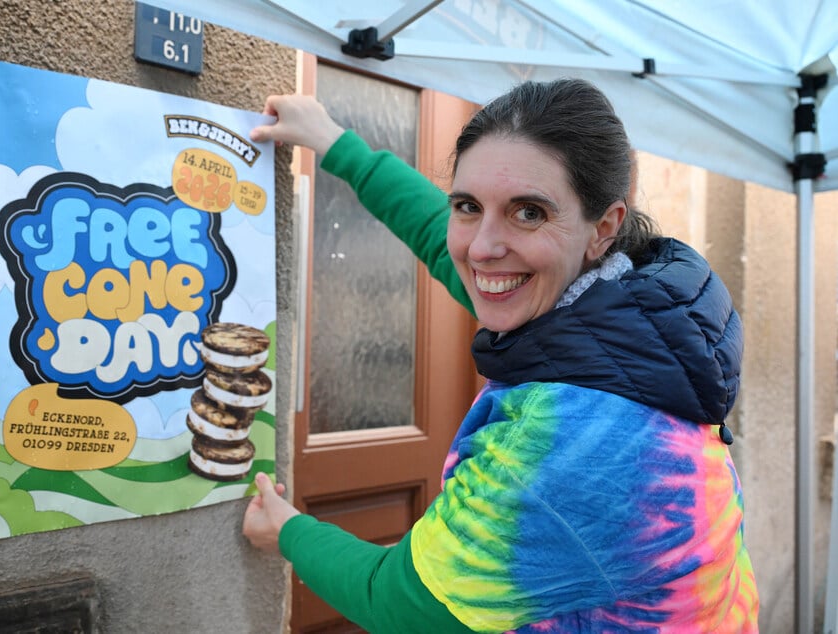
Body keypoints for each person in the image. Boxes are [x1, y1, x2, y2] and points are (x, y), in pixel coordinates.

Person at [243, 79, 759, 633]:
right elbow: (448, 245)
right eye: (467, 205)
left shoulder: (561, 448)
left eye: (528, 212)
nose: (482, 247)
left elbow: (400, 604)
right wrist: (334, 141)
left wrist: (288, 531)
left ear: (603, 226)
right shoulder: (633, 320)